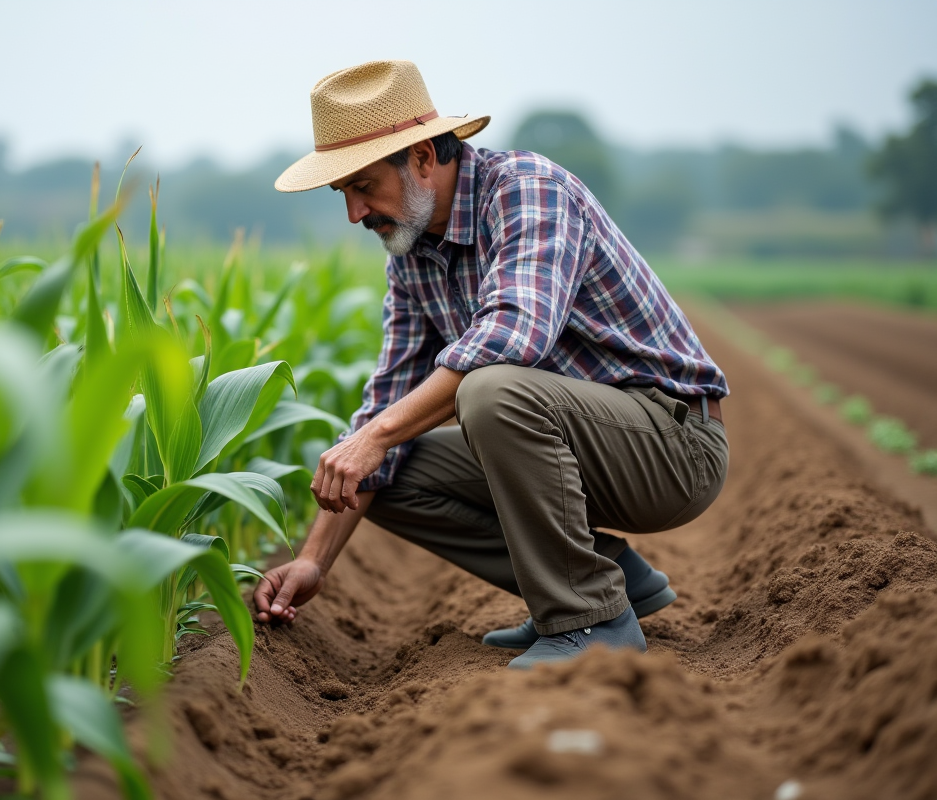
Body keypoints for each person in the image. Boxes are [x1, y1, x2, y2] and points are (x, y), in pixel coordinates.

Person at [253, 60, 729, 668]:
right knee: (383, 470)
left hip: (671, 447)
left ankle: (590, 619)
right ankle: (613, 579)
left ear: (423, 157)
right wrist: (313, 559)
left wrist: (375, 437)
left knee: (488, 391)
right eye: (341, 192)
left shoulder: (528, 189)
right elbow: (387, 399)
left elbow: (513, 336)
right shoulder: (412, 256)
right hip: (580, 448)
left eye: (364, 185)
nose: (353, 213)